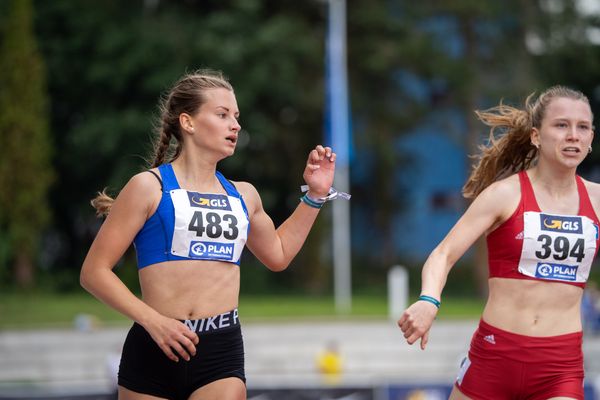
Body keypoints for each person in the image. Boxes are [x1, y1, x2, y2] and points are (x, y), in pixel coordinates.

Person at [80, 69, 343, 400]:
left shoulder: (243, 195)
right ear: (188, 123)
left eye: (236, 117)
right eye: (222, 115)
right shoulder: (148, 187)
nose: (235, 125)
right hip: (154, 345)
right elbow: (93, 272)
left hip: (219, 351)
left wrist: (315, 196)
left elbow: (278, 255)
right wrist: (153, 321)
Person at [398, 85, 598, 400]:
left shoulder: (597, 200)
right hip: (494, 357)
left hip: (559, 367)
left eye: (582, 127)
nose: (573, 135)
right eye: (561, 125)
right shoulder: (505, 194)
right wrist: (428, 300)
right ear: (536, 135)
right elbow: (443, 254)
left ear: (590, 139)